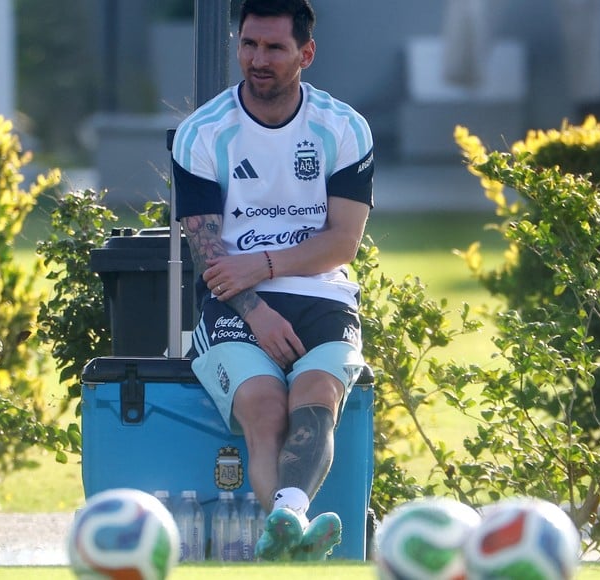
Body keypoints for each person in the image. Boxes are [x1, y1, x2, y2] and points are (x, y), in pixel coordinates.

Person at [171, 0, 374, 562]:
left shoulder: (344, 127)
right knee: (265, 411)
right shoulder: (202, 133)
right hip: (235, 303)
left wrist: (261, 264)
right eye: (249, 45)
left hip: (322, 296)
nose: (258, 59)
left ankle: (286, 522)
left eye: (275, 48)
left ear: (306, 53)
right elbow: (210, 257)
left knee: (316, 400)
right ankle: (290, 525)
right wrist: (256, 308)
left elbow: (342, 244)